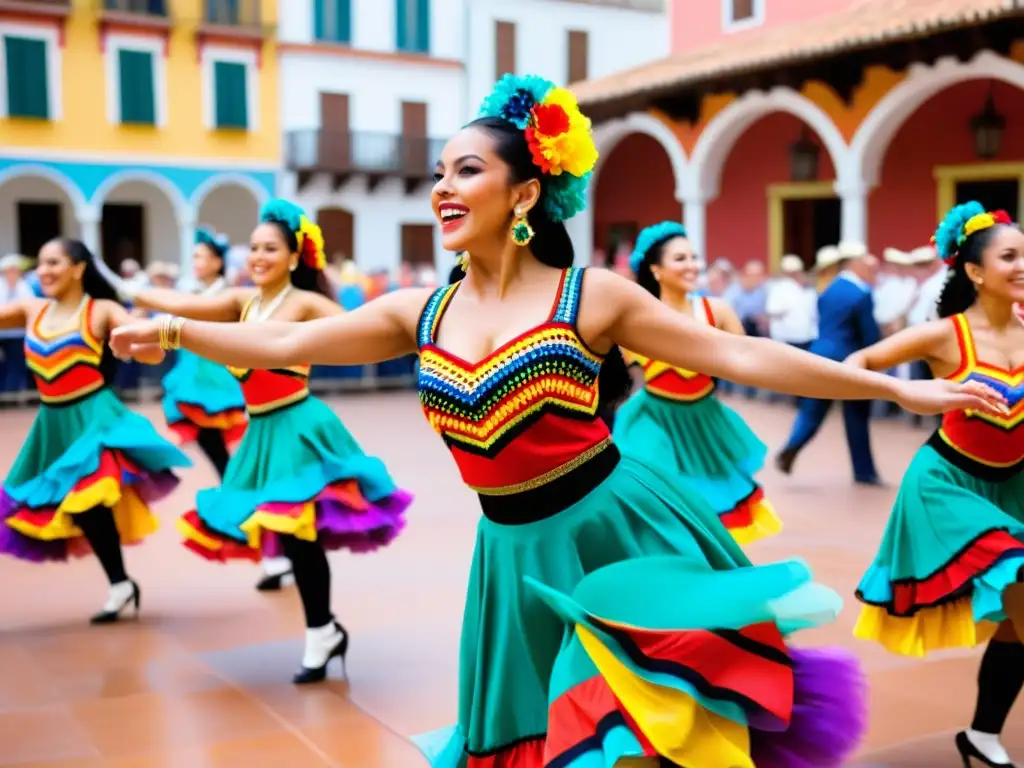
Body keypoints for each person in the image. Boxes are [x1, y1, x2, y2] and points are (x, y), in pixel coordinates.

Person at [111, 75, 1006, 767]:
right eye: (438, 174)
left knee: (633, 726)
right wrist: (173, 328)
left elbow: (740, 355)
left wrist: (895, 391)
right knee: (536, 738)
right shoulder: (415, 311)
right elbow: (268, 350)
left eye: (468, 170)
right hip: (509, 558)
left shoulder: (592, 299)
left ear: (526, 193)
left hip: (616, 533)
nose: (443, 190)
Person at [113, 200, 413, 682]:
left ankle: (320, 632)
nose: (257, 256)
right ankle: (325, 630)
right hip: (262, 431)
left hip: (299, 424)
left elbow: (368, 331)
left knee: (299, 533)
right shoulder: (241, 303)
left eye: (270, 248)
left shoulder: (305, 302)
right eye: (252, 248)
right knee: (292, 539)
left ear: (294, 257)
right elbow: (184, 310)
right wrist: (134, 295)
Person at [850, 203, 1024, 768]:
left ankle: (981, 736)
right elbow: (858, 364)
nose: (1023, 265)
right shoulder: (943, 335)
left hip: (1014, 485)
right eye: (1010, 256)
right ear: (974, 271)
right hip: (948, 487)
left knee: (1016, 626)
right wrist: (905, 392)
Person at [0, 239, 191, 622]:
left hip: (94, 419)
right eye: (40, 264)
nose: (45, 271)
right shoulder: (30, 308)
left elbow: (151, 347)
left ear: (78, 267)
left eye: (54, 262)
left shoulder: (102, 310)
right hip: (52, 425)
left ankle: (119, 585)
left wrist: (136, 344)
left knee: (87, 498)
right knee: (66, 506)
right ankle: (121, 584)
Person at [615, 221, 782, 545]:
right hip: (653, 419)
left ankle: (703, 573)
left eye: (694, 257)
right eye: (680, 259)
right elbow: (607, 371)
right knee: (658, 491)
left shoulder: (715, 311)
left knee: (711, 506)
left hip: (705, 422)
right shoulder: (639, 317)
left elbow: (751, 358)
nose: (691, 265)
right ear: (656, 269)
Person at [776, 243, 884, 485]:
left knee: (811, 410)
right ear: (854, 263)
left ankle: (793, 444)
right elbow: (869, 335)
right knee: (856, 416)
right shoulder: (861, 293)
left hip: (820, 355)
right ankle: (864, 472)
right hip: (849, 361)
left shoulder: (829, 289)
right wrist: (877, 361)